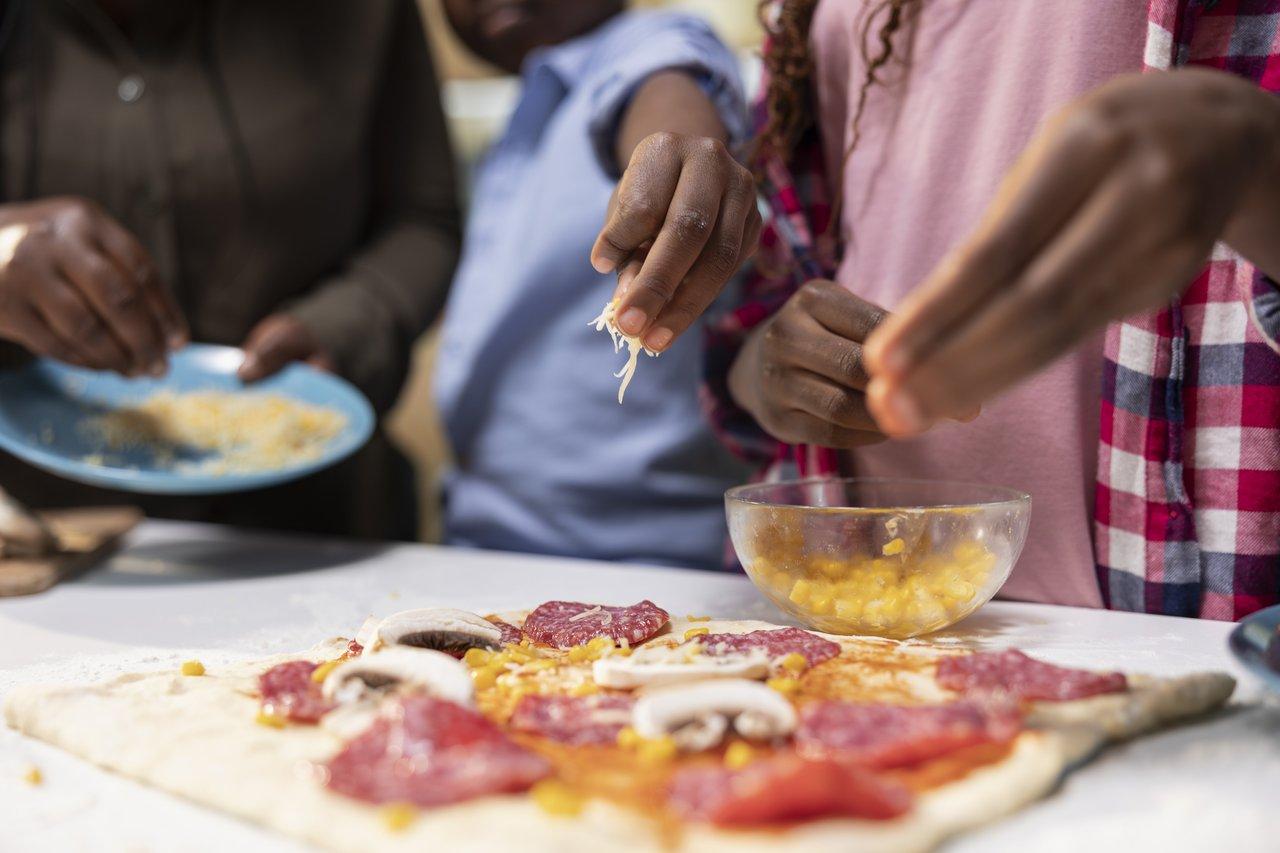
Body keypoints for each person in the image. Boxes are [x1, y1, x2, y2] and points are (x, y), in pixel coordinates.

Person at [598, 0, 1280, 618]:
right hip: (853, 622)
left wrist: (1254, 160)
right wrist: (766, 368)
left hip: (1186, 634)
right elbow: (782, 282)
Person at [0, 0, 459, 539]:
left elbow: (424, 218)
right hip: (33, 524)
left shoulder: (362, 15)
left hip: (317, 517)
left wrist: (348, 323)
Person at [434, 0, 757, 568]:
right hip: (481, 542)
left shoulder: (655, 46)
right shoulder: (526, 114)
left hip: (642, 559)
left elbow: (666, 92)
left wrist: (675, 158)